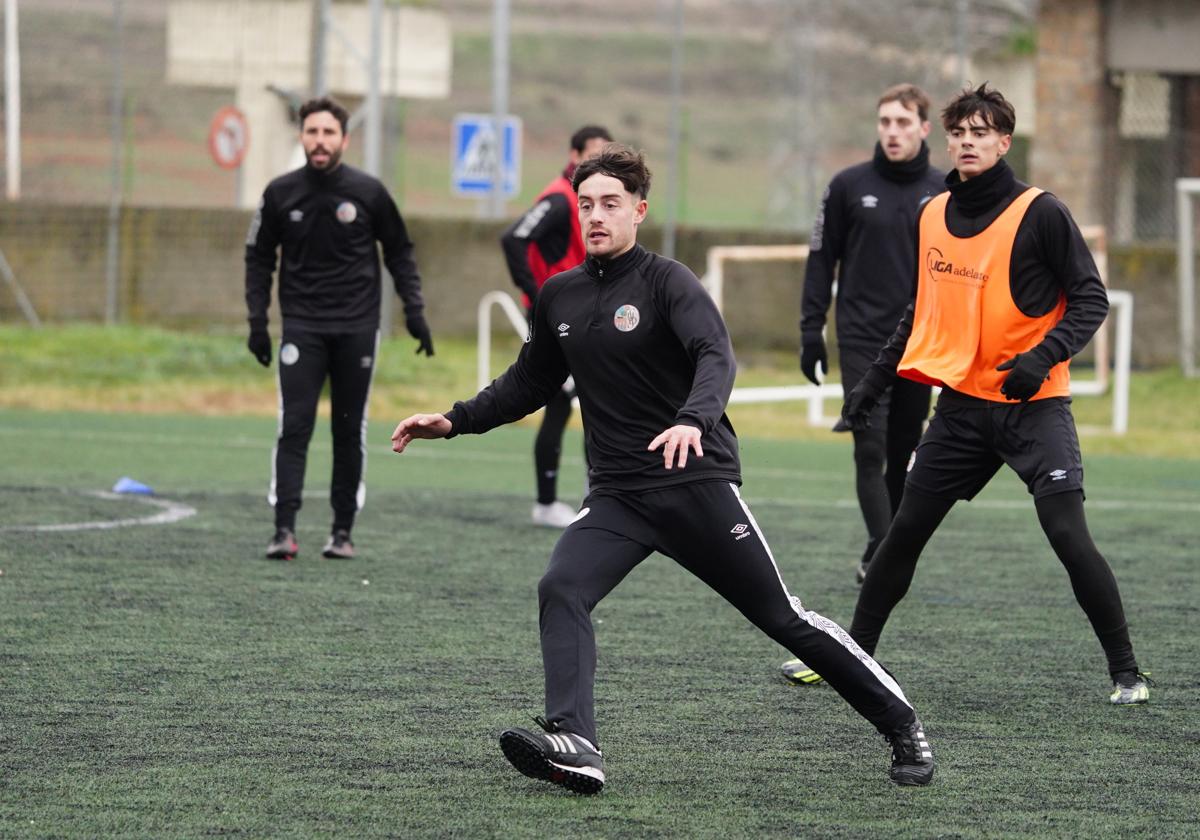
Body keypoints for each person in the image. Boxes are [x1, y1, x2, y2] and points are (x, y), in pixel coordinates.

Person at [391, 145, 936, 794]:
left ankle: (901, 723)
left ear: (638, 211)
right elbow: (528, 382)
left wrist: (692, 419)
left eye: (610, 205)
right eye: (586, 205)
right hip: (620, 497)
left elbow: (715, 356)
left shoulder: (667, 281)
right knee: (561, 587)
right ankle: (576, 744)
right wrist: (454, 420)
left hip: (695, 485)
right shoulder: (559, 297)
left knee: (783, 618)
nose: (596, 216)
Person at [786, 84, 1150, 706]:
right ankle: (852, 659)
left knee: (1067, 535)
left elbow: (1090, 299)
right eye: (959, 133)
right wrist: (874, 382)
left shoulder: (1041, 211)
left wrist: (1040, 359)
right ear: (946, 140)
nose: (967, 143)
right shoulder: (933, 213)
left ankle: (1127, 672)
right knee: (902, 535)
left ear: (1004, 142)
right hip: (960, 410)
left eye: (981, 133)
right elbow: (921, 311)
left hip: (1034, 409)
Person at [782, 84, 944, 686]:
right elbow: (821, 259)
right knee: (868, 446)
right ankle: (884, 546)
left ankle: (882, 548)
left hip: (923, 343)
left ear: (925, 127)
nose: (892, 130)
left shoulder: (946, 191)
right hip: (859, 338)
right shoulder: (847, 187)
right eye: (884, 120)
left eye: (904, 121)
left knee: (902, 458)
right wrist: (809, 331)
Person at [245, 95, 434, 562]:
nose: (320, 141)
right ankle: (283, 530)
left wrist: (414, 311)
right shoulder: (279, 193)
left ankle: (341, 531)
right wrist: (256, 321)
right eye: (312, 132)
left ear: (344, 140)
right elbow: (258, 257)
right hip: (302, 328)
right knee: (295, 426)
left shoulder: (368, 192)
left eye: (329, 133)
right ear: (301, 137)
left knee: (349, 431)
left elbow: (400, 250)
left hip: (356, 329)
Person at [500, 125, 613, 528]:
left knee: (592, 406)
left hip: (590, 317)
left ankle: (594, 498)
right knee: (563, 404)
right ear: (574, 153)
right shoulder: (561, 197)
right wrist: (537, 296)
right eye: (593, 153)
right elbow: (513, 238)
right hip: (562, 320)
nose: (599, 160)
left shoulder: (595, 201)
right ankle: (551, 502)